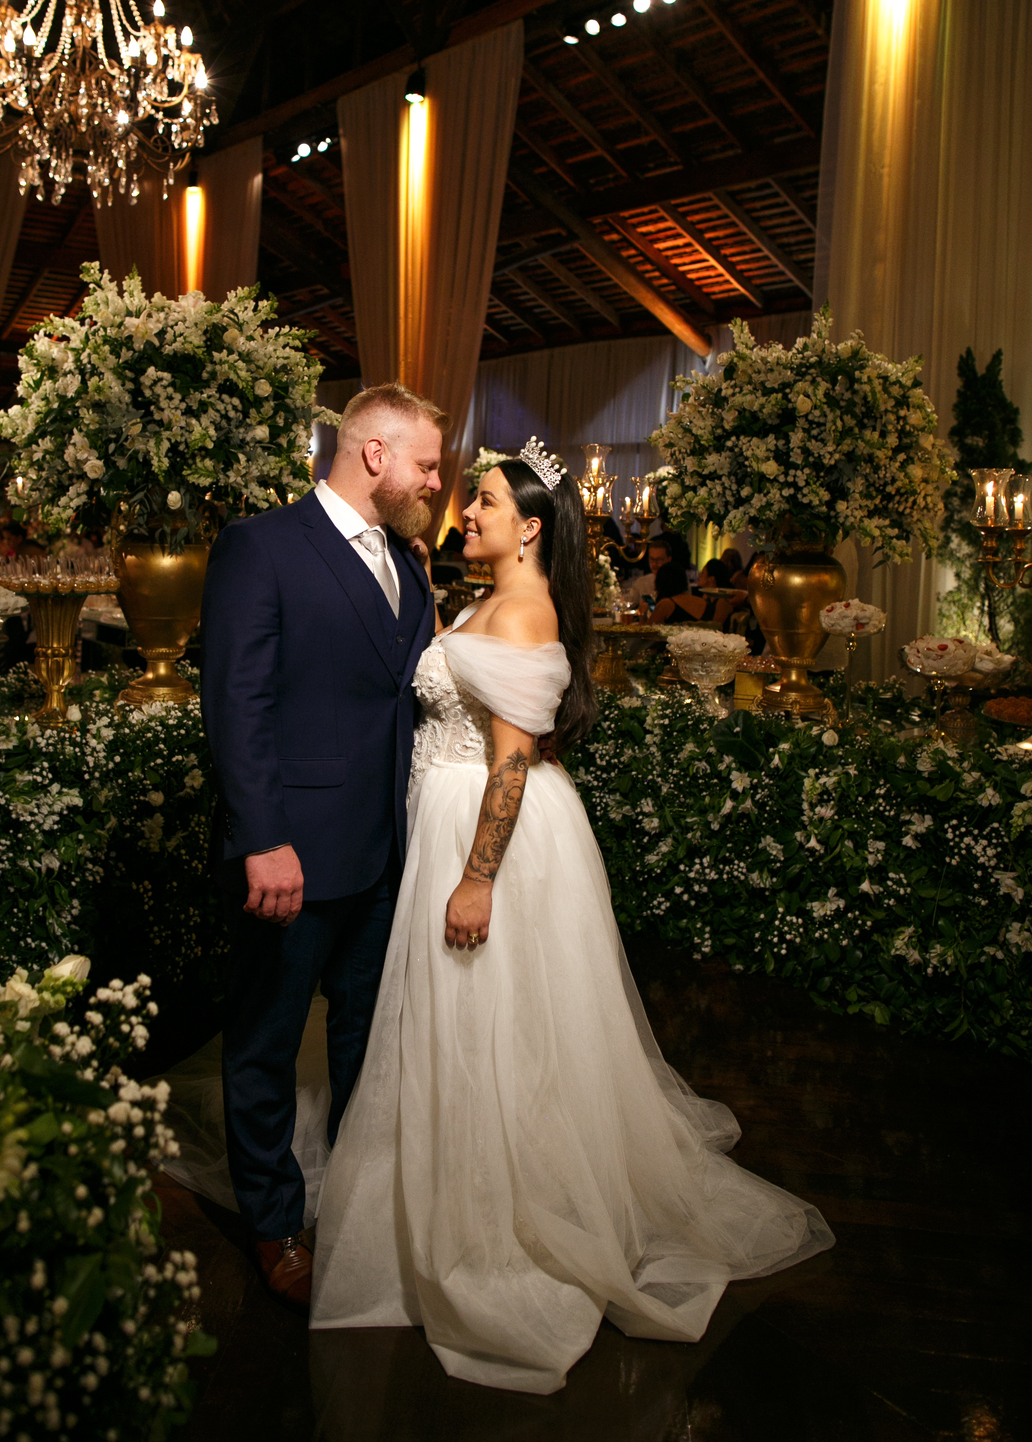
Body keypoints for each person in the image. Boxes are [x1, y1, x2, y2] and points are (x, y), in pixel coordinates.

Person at [311, 439, 833, 1392]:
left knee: (494, 1028)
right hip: (453, 814)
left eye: (485, 502)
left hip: (487, 834)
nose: (468, 512)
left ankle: (498, 1213)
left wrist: (477, 878)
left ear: (530, 528)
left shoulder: (522, 610)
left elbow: (513, 760)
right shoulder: (489, 599)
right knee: (464, 1027)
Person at [200, 382, 446, 1312]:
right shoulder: (261, 545)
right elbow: (237, 701)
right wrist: (263, 838)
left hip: (388, 851)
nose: (437, 483)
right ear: (374, 453)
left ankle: (354, 1210)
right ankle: (274, 1225)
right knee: (266, 1041)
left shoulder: (406, 561)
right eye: (426, 464)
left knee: (366, 1042)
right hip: (292, 855)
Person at [637, 560, 732, 627]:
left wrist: (642, 615)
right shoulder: (702, 601)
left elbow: (646, 634)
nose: (699, 575)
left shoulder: (667, 603)